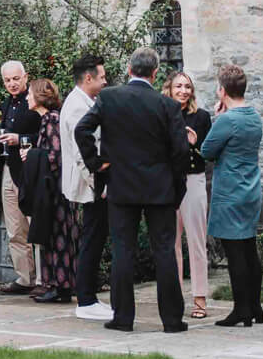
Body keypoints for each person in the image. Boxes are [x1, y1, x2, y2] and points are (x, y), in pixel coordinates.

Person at [74, 47, 191, 333]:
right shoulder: (167, 106)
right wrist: (178, 189)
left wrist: (97, 163)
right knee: (164, 251)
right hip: (159, 187)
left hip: (121, 185)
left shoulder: (110, 98)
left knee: (122, 251)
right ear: (155, 73)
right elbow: (180, 152)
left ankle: (123, 317)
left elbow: (82, 130)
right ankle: (172, 320)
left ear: (129, 70)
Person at [202, 64, 263, 328]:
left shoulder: (227, 120)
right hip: (250, 189)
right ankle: (255, 307)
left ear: (223, 91)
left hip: (230, 192)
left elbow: (207, 150)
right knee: (249, 249)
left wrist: (218, 118)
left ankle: (241, 309)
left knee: (235, 253)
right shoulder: (254, 116)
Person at [58, 55, 111, 317]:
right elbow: (83, 153)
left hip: (91, 183)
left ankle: (89, 297)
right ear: (88, 78)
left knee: (94, 237)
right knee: (91, 239)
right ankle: (86, 301)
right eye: (102, 77)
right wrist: (97, 182)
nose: (105, 81)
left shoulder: (84, 101)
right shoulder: (78, 106)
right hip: (90, 184)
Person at [22, 77, 74, 301]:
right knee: (52, 234)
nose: (26, 97)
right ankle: (55, 284)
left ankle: (59, 285)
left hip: (56, 189)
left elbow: (55, 155)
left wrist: (30, 154)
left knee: (57, 235)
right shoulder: (48, 119)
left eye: (29, 93)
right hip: (52, 187)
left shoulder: (51, 119)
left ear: (39, 96)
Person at [170, 70, 213, 319]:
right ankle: (174, 298)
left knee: (196, 241)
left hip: (193, 181)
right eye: (178, 86)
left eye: (187, 86)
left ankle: (199, 298)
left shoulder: (201, 117)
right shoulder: (163, 114)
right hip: (168, 183)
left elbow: (207, 155)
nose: (183, 91)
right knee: (171, 243)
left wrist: (195, 145)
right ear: (170, 89)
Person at [0, 60, 40, 295]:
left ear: (25, 77)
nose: (12, 84)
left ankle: (43, 278)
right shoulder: (6, 103)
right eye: (7, 80)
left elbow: (45, 134)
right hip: (7, 169)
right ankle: (25, 278)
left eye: (15, 79)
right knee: (14, 228)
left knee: (35, 225)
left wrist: (19, 139)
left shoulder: (35, 100)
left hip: (28, 171)